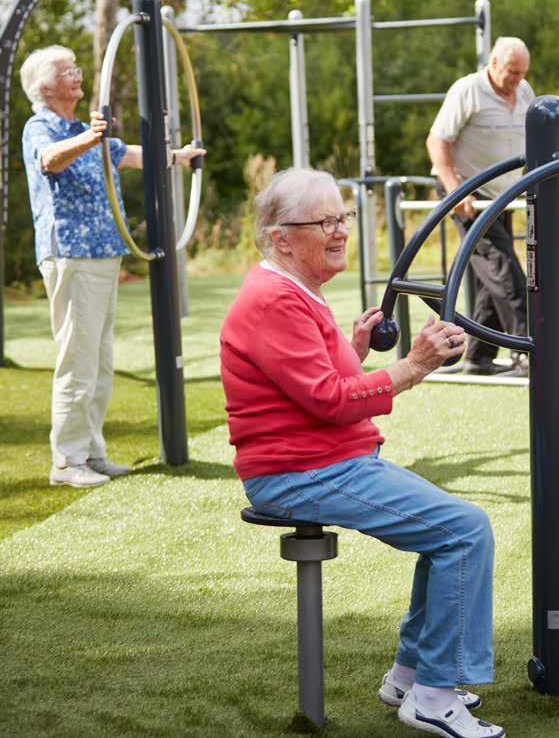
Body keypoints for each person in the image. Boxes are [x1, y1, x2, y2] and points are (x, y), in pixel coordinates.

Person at [220, 167, 505, 738]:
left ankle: (410, 675)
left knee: (447, 533)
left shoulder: (295, 289)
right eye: (323, 221)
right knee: (463, 531)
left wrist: (348, 346)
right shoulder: (276, 298)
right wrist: (415, 365)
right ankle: (432, 696)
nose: (340, 230)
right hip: (299, 470)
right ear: (280, 236)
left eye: (342, 218)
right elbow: (329, 399)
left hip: (319, 459)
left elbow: (312, 379)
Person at [20, 45, 204, 489]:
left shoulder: (84, 128)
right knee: (77, 360)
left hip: (102, 254)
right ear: (47, 86)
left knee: (99, 360)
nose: (78, 74)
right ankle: (66, 461)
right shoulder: (42, 127)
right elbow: (49, 160)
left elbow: (127, 154)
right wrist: (91, 138)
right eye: (69, 70)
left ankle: (91, 451)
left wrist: (179, 157)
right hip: (72, 255)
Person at [427, 36, 559, 376]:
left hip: (506, 194)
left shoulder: (524, 91)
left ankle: (479, 357)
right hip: (471, 193)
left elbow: (548, 141)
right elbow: (438, 140)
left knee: (491, 278)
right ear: (494, 64)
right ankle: (530, 348)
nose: (518, 80)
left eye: (523, 73)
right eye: (513, 72)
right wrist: (456, 191)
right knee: (505, 270)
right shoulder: (468, 90)